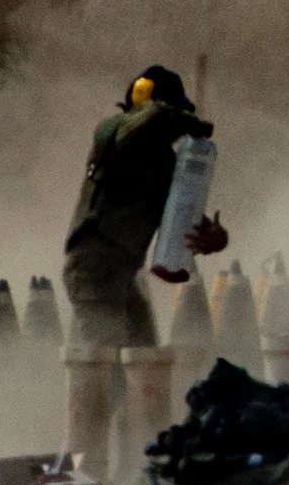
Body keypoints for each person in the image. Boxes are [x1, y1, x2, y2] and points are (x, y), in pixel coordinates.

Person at [61, 64, 231, 350]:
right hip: (92, 272)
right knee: (110, 366)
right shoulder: (111, 134)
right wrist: (172, 116)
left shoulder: (162, 162)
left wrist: (216, 236)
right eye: (170, 112)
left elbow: (182, 213)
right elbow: (134, 126)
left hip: (125, 276)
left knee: (146, 363)